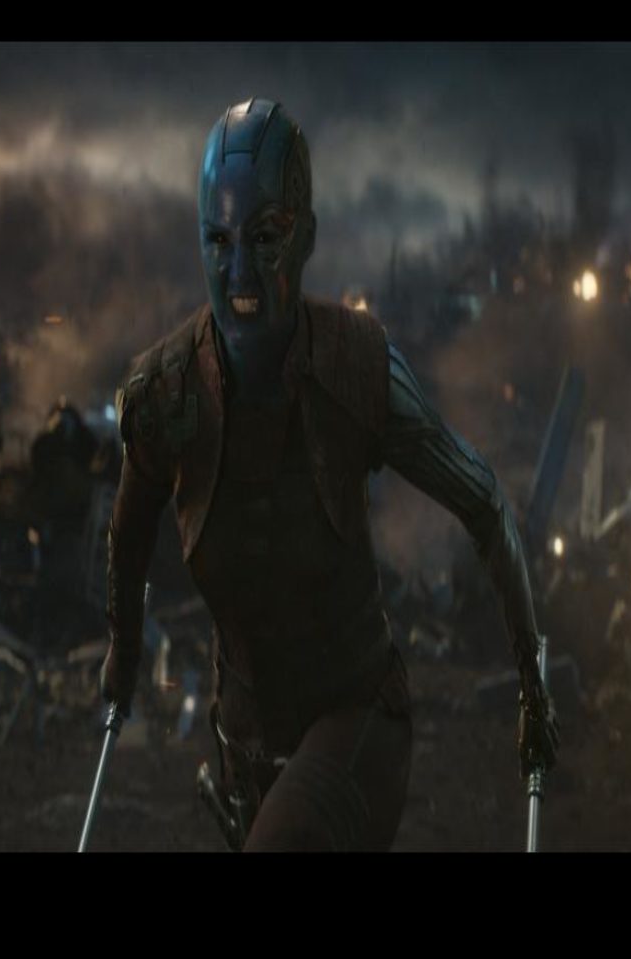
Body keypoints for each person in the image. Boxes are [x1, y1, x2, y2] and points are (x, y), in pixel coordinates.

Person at [100, 97, 559, 850]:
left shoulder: (357, 367)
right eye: (218, 241)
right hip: (245, 744)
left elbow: (483, 502)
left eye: (264, 238)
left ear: (304, 237)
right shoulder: (168, 391)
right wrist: (122, 658)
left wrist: (532, 687)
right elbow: (127, 536)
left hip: (355, 720)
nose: (239, 273)